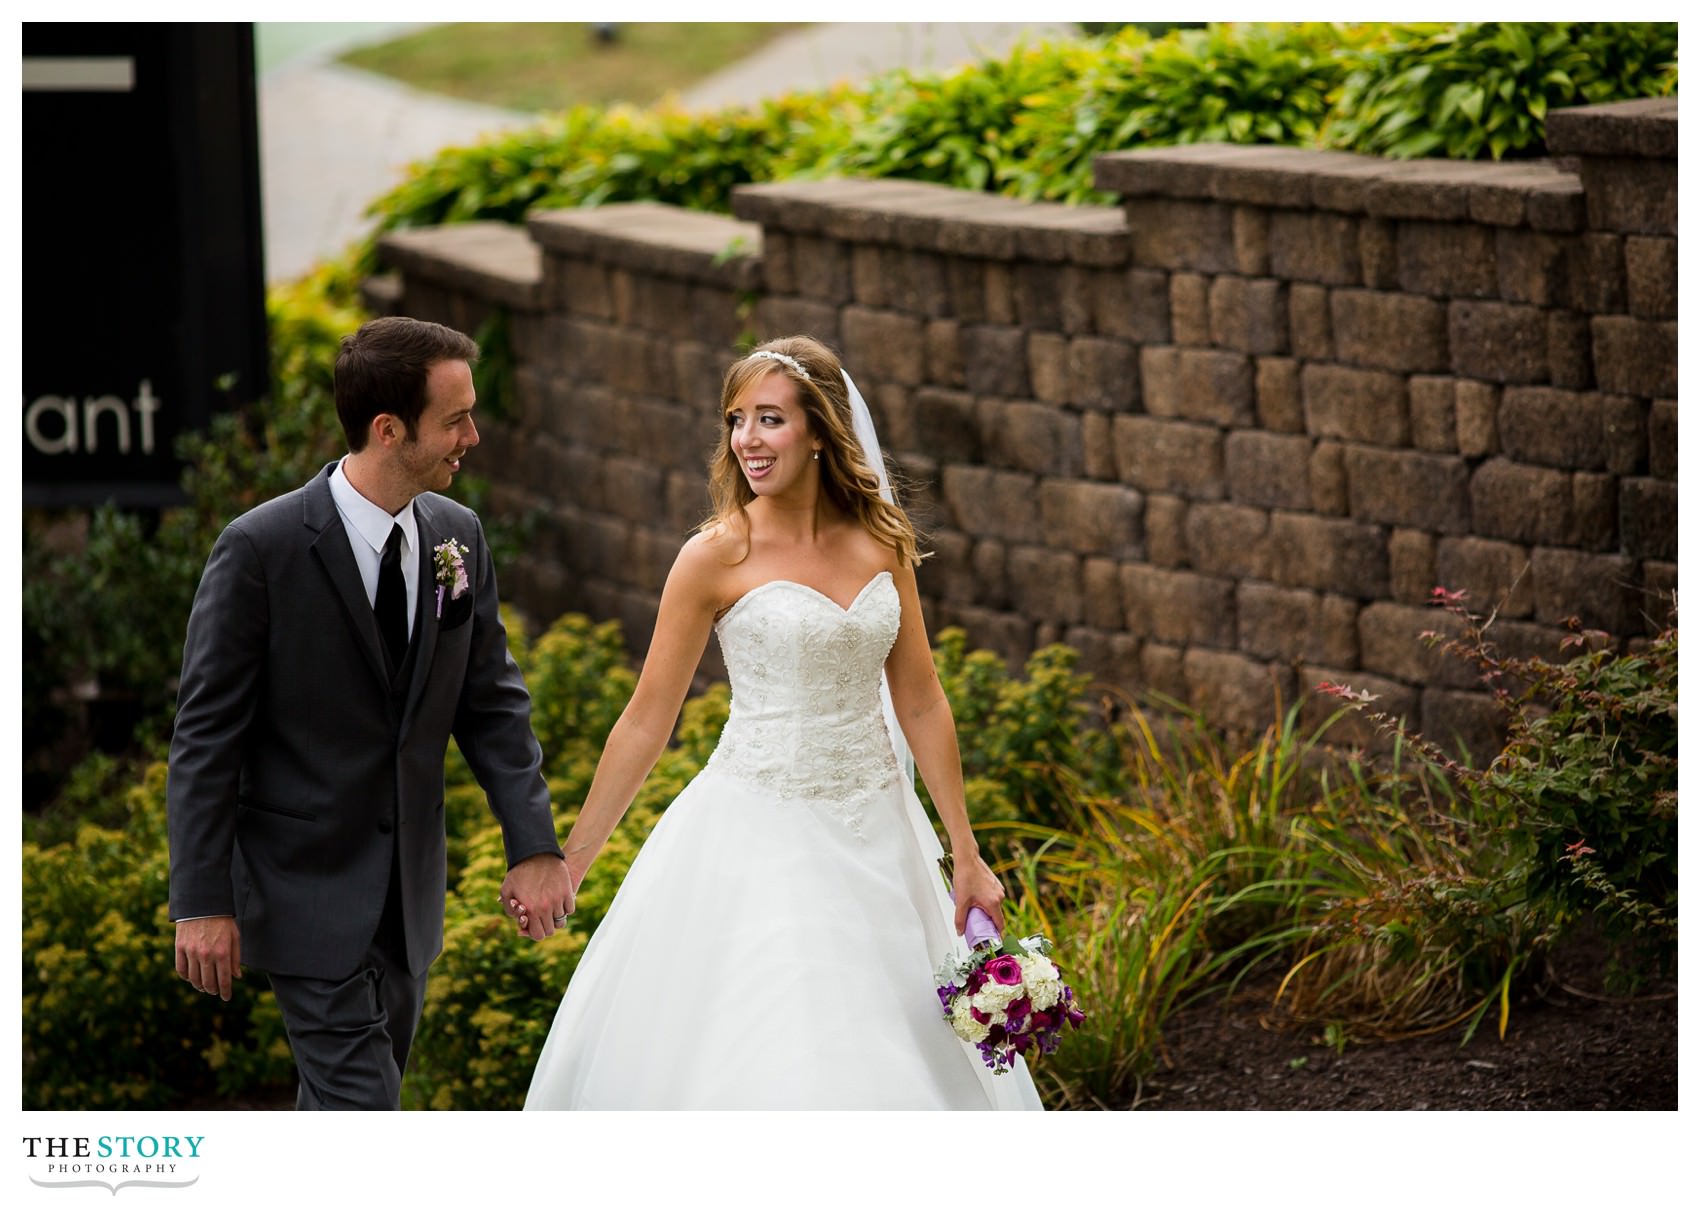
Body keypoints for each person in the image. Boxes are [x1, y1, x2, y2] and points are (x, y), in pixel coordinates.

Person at [521, 335, 1044, 1109]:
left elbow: (922, 699)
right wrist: (573, 861)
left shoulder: (882, 542)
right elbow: (644, 721)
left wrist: (966, 853)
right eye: (737, 420)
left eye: (769, 419)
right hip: (761, 829)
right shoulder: (714, 557)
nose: (747, 440)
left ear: (821, 433)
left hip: (882, 835)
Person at [167, 315, 575, 1110]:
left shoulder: (459, 538)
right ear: (389, 430)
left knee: (342, 1121)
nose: (475, 436)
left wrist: (532, 844)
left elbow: (492, 706)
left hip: (409, 903)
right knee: (365, 1117)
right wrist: (202, 900)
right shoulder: (261, 549)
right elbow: (205, 740)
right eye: (456, 419)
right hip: (302, 895)